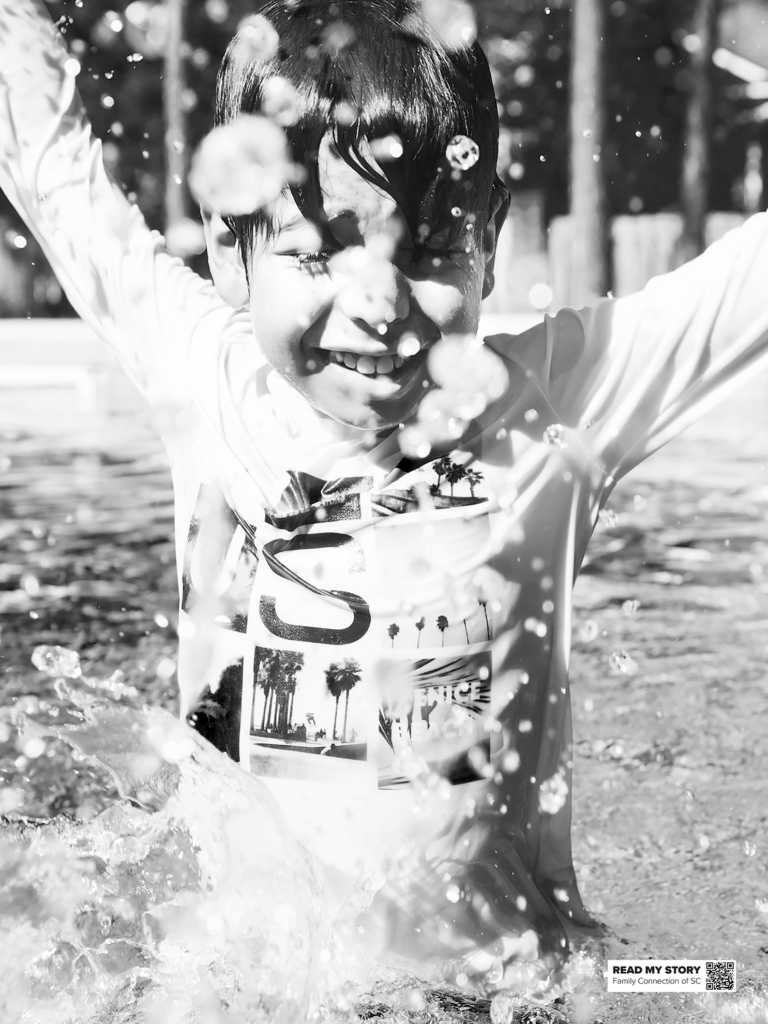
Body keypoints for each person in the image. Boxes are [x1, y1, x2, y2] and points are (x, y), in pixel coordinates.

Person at [3, 0, 768, 997]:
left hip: (503, 999)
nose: (378, 306)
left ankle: (678, 975)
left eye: (428, 252)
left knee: (698, 979)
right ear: (234, 249)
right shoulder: (210, 379)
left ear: (487, 236)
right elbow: (52, 171)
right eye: (322, 253)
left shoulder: (549, 407)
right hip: (253, 992)